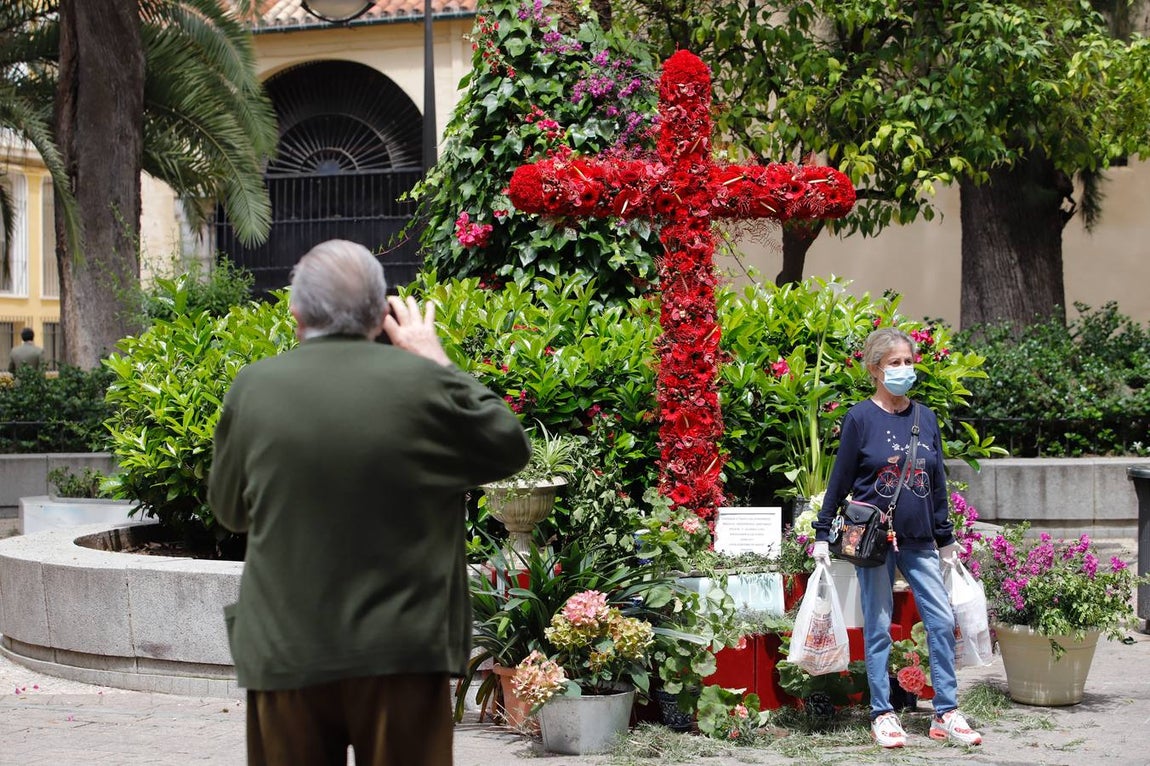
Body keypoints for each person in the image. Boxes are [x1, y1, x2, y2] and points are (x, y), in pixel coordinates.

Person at [208, 240, 531, 766]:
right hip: (402, 653)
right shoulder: (426, 386)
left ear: (295, 310)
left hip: (287, 651)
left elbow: (229, 512)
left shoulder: (254, 388)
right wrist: (435, 359)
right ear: (384, 314)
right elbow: (508, 446)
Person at [811, 327, 981, 749]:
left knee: (941, 621)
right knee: (880, 626)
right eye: (895, 363)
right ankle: (883, 714)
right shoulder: (859, 418)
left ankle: (946, 712)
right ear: (875, 369)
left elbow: (937, 481)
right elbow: (840, 479)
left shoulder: (925, 417)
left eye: (909, 361)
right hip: (874, 542)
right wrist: (821, 530)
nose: (905, 369)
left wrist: (946, 538)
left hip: (921, 540)